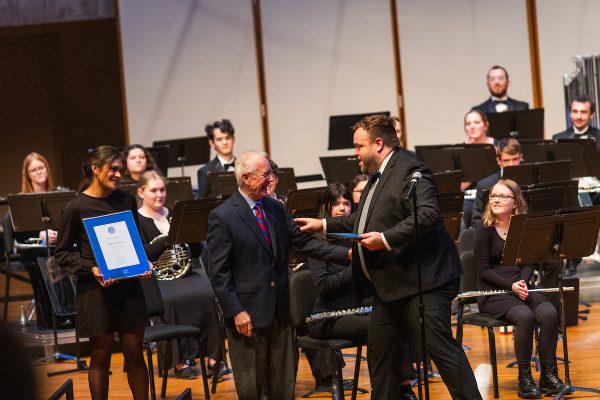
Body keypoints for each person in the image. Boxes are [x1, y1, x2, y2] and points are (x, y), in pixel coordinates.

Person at [295, 114, 482, 399]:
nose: (354, 153)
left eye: (358, 146)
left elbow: (429, 214)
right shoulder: (376, 179)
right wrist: (323, 225)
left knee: (440, 348)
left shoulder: (410, 168)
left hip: (424, 283)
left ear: (378, 143)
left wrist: (384, 239)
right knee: (381, 355)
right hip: (391, 287)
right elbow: (363, 220)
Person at [206, 151, 349, 400]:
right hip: (246, 314)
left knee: (283, 386)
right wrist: (235, 310)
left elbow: (303, 242)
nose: (272, 179)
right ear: (247, 178)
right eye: (266, 174)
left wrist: (346, 254)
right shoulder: (223, 216)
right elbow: (218, 272)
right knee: (251, 387)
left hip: (280, 309)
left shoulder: (275, 208)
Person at [55, 146, 153, 400]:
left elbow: (137, 241)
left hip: (129, 288)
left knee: (135, 353)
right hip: (96, 291)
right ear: (96, 169)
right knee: (101, 356)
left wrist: (143, 262)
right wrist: (92, 269)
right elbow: (62, 253)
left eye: (121, 170)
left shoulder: (126, 200)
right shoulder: (75, 207)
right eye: (114, 169)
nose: (119, 174)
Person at [306, 183, 416, 398]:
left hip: (358, 311)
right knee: (382, 327)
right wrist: (358, 264)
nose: (342, 209)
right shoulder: (317, 242)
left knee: (398, 317)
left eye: (346, 203)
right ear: (326, 208)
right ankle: (399, 389)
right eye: (336, 204)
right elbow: (324, 285)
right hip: (326, 316)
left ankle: (395, 388)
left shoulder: (361, 237)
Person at [474, 179, 564, 397]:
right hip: (494, 293)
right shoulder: (483, 230)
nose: (496, 199)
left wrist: (522, 282)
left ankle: (548, 376)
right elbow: (483, 270)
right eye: (494, 196)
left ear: (515, 203)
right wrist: (511, 285)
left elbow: (528, 262)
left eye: (503, 196)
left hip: (519, 288)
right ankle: (524, 379)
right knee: (525, 316)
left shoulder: (522, 228)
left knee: (550, 313)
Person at [136, 170, 222, 379]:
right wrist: (169, 238)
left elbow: (196, 252)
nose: (159, 195)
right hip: (156, 277)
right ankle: (177, 362)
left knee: (208, 294)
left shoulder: (175, 214)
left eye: (162, 189)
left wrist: (192, 234)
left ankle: (213, 356)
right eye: (153, 190)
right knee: (171, 301)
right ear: (141, 192)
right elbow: (143, 254)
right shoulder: (137, 220)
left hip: (185, 272)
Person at [470, 138, 523, 228]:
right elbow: (477, 222)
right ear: (498, 160)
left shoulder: (531, 181)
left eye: (515, 159)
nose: (511, 165)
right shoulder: (484, 185)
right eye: (506, 160)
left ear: (521, 157)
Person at [197, 119, 236, 198]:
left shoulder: (244, 166)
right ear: (212, 143)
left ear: (233, 139)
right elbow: (203, 203)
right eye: (219, 139)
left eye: (228, 137)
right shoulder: (205, 171)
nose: (225, 142)